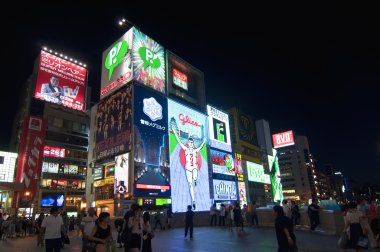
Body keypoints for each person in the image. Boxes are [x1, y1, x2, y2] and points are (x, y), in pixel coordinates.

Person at [172, 126, 206, 210]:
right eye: (190, 143)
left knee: (195, 177)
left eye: (192, 143)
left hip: (194, 167)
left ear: (193, 144)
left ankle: (195, 180)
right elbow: (179, 142)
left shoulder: (195, 150)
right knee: (191, 185)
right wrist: (175, 133)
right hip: (188, 168)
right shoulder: (186, 149)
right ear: (189, 143)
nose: (191, 144)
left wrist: (204, 141)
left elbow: (201, 147)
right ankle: (193, 200)